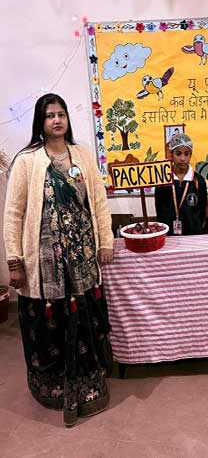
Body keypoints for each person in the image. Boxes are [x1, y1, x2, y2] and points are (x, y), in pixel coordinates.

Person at [3, 93, 115, 427]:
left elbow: (98, 202)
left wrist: (105, 241)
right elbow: (13, 213)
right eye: (50, 115)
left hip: (82, 260)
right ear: (41, 122)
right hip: (45, 264)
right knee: (49, 326)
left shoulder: (82, 156)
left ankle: (88, 385)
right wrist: (14, 261)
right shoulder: (27, 161)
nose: (57, 120)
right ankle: (54, 387)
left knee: (85, 321)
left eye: (61, 114)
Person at [154, 132, 208, 236]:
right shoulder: (163, 180)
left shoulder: (198, 181)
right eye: (178, 154)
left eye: (186, 154)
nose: (182, 158)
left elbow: (203, 210)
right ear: (171, 154)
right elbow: (159, 209)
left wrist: (197, 228)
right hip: (168, 235)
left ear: (190, 155)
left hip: (193, 235)